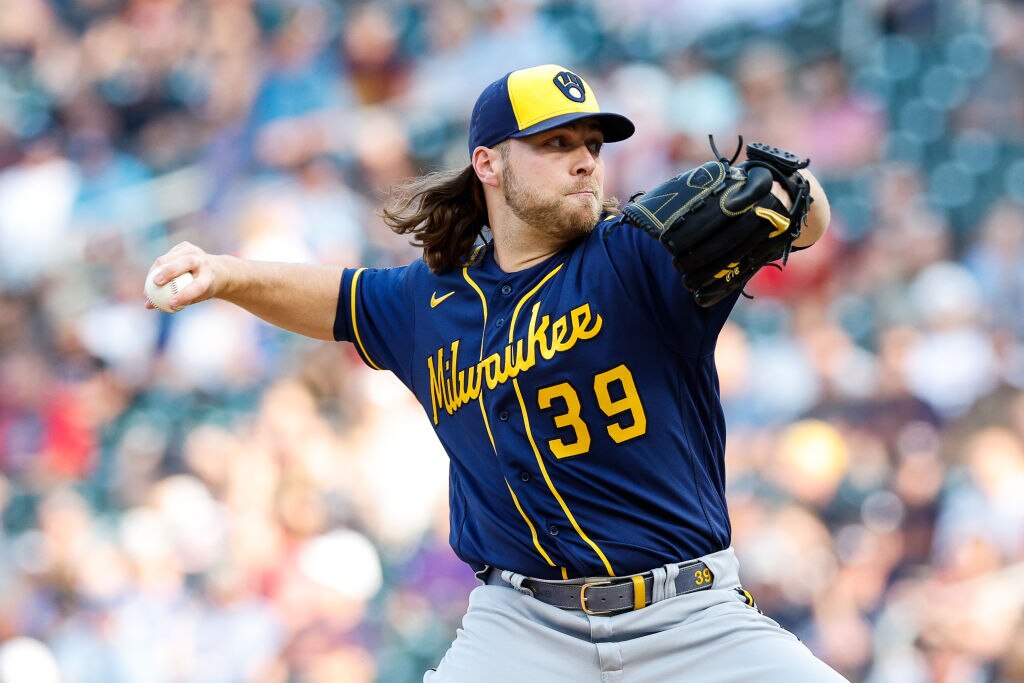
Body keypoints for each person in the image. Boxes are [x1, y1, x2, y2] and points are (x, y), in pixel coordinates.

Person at [147, 64, 845, 682]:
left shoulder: (638, 256)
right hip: (522, 628)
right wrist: (225, 274)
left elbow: (805, 220)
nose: (584, 162)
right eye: (556, 143)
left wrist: (794, 188)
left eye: (593, 146)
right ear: (488, 163)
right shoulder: (430, 303)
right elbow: (337, 297)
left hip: (688, 616)